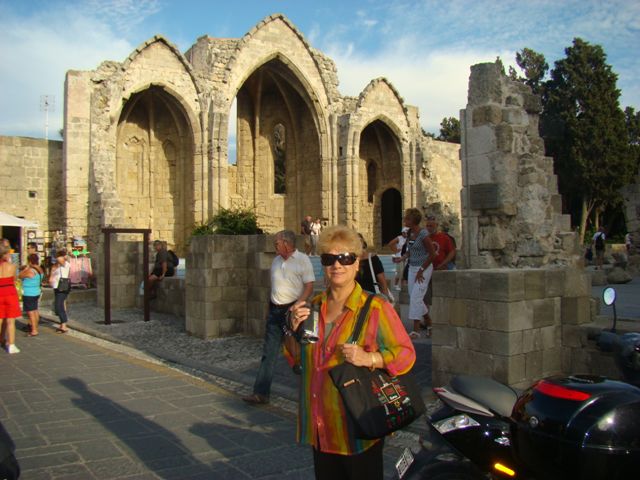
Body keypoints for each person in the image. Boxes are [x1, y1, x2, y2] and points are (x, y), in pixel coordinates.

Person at [286, 225, 415, 479]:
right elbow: (297, 359)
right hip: (321, 425)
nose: (337, 265)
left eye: (345, 258)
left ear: (357, 264)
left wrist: (370, 358)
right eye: (329, 258)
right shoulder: (314, 307)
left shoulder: (376, 308)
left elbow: (405, 354)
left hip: (358, 426)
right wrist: (292, 330)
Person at [242, 230, 315, 405]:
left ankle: (311, 394)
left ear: (287, 244)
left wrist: (298, 304)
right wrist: (268, 308)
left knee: (302, 353)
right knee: (269, 352)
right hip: (275, 311)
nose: (274, 246)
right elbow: (273, 287)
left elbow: (309, 286)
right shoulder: (275, 261)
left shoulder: (302, 260)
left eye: (277, 243)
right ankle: (260, 393)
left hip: (293, 311)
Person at [402, 208, 436, 339]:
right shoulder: (409, 233)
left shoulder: (423, 234)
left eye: (407, 218)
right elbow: (411, 250)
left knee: (416, 298)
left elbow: (432, 254)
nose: (405, 220)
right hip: (412, 267)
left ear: (413, 220)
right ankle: (429, 322)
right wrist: (402, 258)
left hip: (424, 268)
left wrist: (421, 270)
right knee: (415, 297)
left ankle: (415, 330)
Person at [356, 233, 394, 304]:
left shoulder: (373, 259)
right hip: (355, 300)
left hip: (373, 300)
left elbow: (382, 282)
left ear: (363, 243)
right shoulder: (349, 261)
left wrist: (386, 301)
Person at [0, 243, 21, 353]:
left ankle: (1, 338)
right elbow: (14, 279)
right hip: (10, 293)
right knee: (10, 320)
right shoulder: (12, 266)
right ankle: (11, 345)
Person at [19, 254, 43, 337]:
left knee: (31, 312)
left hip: (29, 293)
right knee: (35, 310)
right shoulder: (40, 269)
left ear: (29, 261)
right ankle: (35, 327)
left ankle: (34, 330)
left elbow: (20, 276)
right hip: (36, 291)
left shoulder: (30, 270)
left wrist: (25, 269)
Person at [49, 249, 70, 333]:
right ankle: (62, 324)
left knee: (58, 305)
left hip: (63, 286)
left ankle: (64, 324)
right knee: (60, 305)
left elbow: (60, 259)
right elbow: (52, 275)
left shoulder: (66, 264)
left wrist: (64, 256)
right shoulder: (56, 265)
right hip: (56, 286)